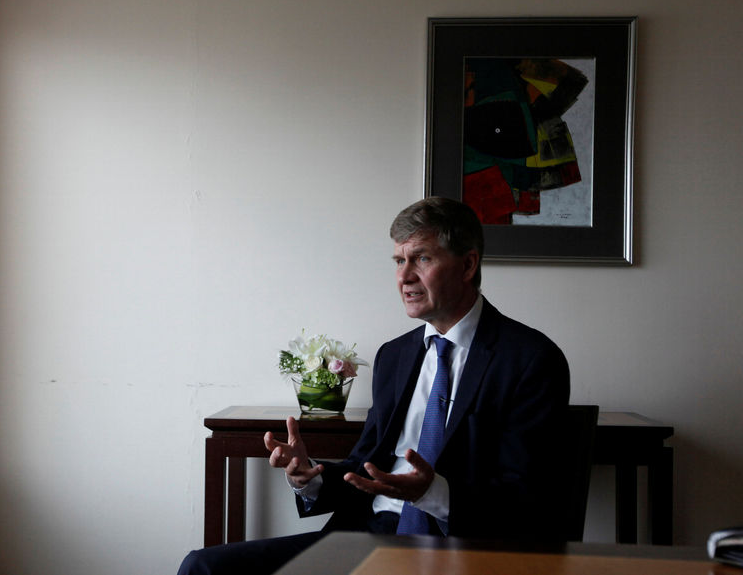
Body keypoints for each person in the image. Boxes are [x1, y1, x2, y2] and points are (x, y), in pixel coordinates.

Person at [178, 197, 570, 575]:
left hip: (458, 548)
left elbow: (527, 498)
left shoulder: (531, 359)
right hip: (367, 537)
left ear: (468, 265)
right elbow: (364, 465)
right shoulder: (395, 356)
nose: (404, 276)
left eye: (423, 258)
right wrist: (312, 477)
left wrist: (431, 492)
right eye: (399, 261)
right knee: (204, 566)